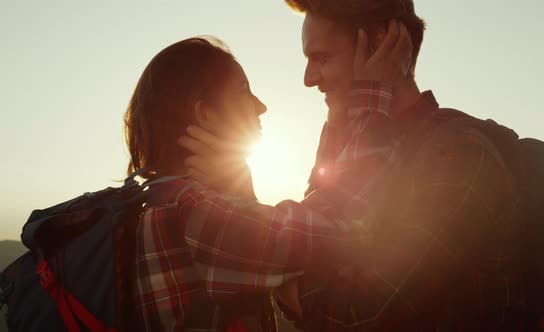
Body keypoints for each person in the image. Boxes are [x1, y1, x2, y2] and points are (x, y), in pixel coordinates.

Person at [179, 0, 537, 331]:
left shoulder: (458, 154)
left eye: (320, 57)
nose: (308, 78)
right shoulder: (349, 149)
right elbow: (319, 246)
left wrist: (275, 273)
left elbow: (363, 314)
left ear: (380, 44)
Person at [126, 30, 412, 331]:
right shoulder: (192, 212)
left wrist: (238, 188)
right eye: (244, 92)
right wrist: (371, 97)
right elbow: (345, 227)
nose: (260, 106)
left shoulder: (170, 202)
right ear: (206, 114)